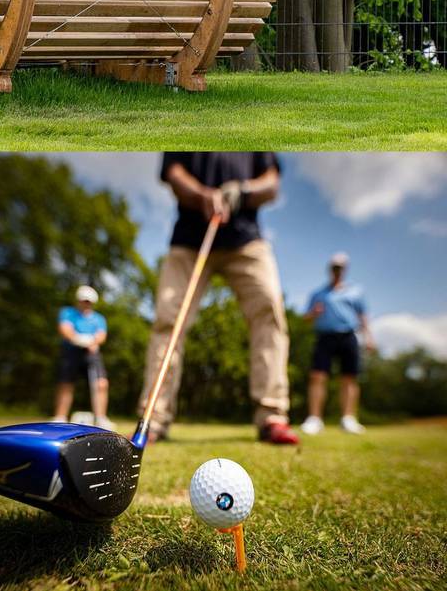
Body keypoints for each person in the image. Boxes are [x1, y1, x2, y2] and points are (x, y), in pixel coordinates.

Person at [138, 153, 299, 445]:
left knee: (269, 313)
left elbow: (272, 183)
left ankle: (272, 415)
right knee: (168, 320)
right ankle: (152, 418)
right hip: (189, 239)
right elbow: (174, 173)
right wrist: (203, 194)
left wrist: (243, 191)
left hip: (246, 239)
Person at [301, 253, 375, 435]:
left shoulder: (355, 292)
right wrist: (313, 313)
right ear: (330, 269)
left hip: (348, 336)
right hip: (325, 336)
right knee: (317, 376)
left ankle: (348, 418)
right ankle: (315, 419)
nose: (337, 271)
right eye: (334, 268)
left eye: (340, 268)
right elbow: (305, 318)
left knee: (349, 378)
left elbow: (363, 317)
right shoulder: (318, 294)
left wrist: (369, 338)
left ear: (345, 270)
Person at [53, 284, 112, 428]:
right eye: (84, 300)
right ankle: (60, 416)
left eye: (89, 301)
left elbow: (101, 336)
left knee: (101, 383)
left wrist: (91, 342)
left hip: (91, 353)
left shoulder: (98, 318)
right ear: (78, 300)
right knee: (66, 383)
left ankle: (101, 418)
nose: (86, 304)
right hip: (71, 351)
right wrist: (78, 339)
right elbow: (65, 329)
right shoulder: (68, 313)